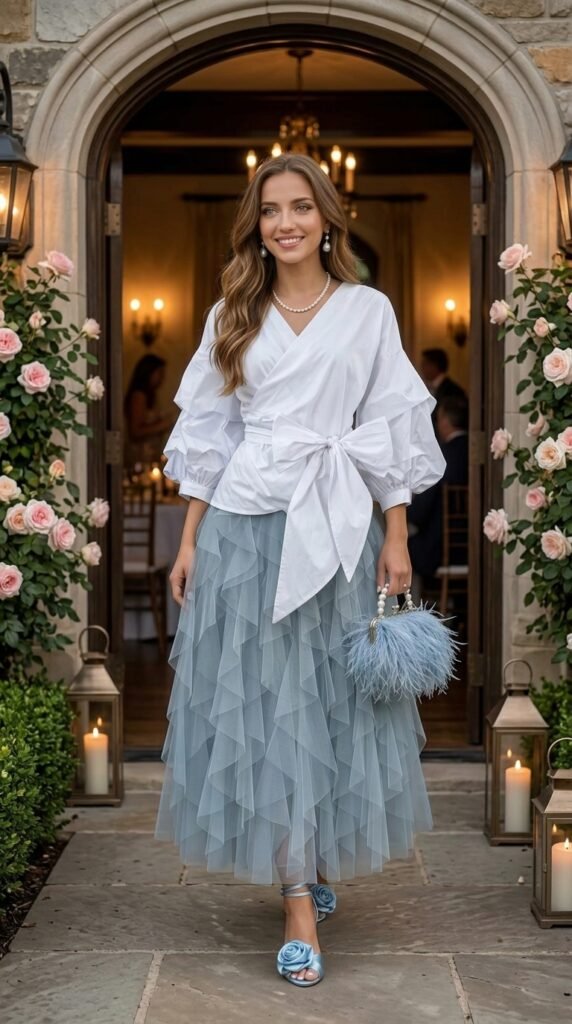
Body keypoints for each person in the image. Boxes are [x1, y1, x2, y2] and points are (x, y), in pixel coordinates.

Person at [154, 154, 446, 988]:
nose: (285, 222)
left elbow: (388, 426)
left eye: (300, 208)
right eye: (271, 210)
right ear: (257, 223)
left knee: (330, 704)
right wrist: (189, 541)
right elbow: (210, 439)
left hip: (342, 528)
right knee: (271, 707)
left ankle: (310, 858)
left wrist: (397, 535)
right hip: (248, 532)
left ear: (328, 217)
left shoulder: (366, 310)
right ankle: (293, 899)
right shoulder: (231, 313)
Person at [407, 394, 469, 581]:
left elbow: (419, 513)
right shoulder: (478, 457)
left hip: (439, 549)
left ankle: (408, 607)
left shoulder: (440, 458)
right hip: (473, 546)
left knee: (395, 547)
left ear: (445, 422)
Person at [124, 354, 174, 468]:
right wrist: (162, 425)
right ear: (148, 372)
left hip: (150, 455)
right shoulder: (138, 396)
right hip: (139, 457)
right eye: (160, 373)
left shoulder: (151, 395)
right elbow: (135, 431)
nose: (162, 378)